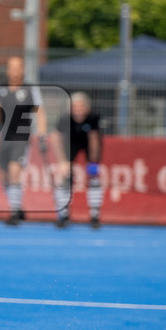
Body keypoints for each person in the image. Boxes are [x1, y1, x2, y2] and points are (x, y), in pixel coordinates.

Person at [0, 56, 47, 225]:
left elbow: (40, 111)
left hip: (22, 135)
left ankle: (14, 212)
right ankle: (17, 206)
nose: (13, 71)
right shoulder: (2, 89)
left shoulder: (30, 89)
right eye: (10, 67)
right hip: (4, 135)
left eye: (17, 67)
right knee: (4, 174)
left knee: (15, 170)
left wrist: (42, 132)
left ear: (22, 70)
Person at [49, 92, 103, 228]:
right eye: (75, 108)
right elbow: (55, 138)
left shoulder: (93, 118)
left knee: (94, 175)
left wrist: (93, 162)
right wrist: (62, 161)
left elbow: (94, 141)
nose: (78, 111)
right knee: (64, 176)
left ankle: (95, 215)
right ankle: (63, 214)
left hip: (87, 143)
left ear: (87, 108)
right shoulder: (64, 118)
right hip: (70, 143)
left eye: (81, 107)